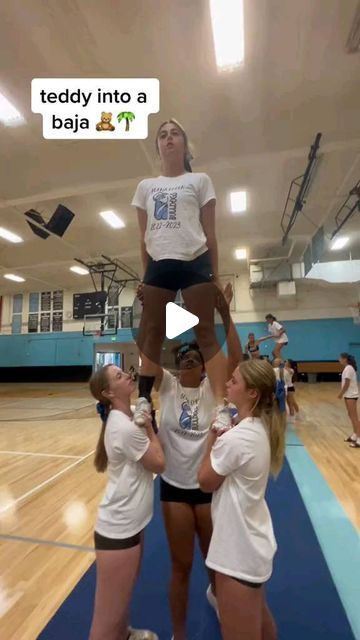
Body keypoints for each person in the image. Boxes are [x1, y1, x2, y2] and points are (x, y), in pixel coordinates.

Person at [131, 118, 233, 433]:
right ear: (157, 147)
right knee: (152, 334)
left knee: (206, 333)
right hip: (159, 264)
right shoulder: (145, 187)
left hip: (195, 261)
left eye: (175, 133)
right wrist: (145, 277)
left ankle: (221, 407)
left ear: (184, 144)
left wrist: (215, 276)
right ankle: (145, 399)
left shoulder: (200, 180)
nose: (169, 138)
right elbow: (143, 236)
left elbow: (211, 234)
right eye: (163, 135)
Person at [153, 283, 242, 640]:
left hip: (206, 485)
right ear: (178, 364)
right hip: (175, 487)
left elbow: (234, 354)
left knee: (212, 561)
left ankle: (219, 599)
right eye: (184, 357)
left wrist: (224, 312)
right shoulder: (168, 387)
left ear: (203, 367)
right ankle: (179, 633)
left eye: (196, 357)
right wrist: (155, 311)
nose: (190, 359)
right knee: (181, 565)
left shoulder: (213, 390)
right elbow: (147, 354)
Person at [198, 359, 287, 640]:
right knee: (261, 622)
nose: (227, 384)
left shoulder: (237, 439)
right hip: (251, 544)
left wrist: (214, 436)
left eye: (234, 381)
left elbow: (204, 480)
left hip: (238, 552)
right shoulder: (256, 428)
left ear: (252, 393)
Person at [89, 364, 165, 640]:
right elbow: (159, 462)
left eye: (124, 372)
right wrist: (149, 428)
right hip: (118, 531)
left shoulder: (126, 417)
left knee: (123, 597)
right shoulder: (124, 427)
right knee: (104, 620)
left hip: (131, 525)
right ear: (108, 392)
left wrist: (144, 418)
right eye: (119, 376)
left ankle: (124, 634)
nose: (127, 376)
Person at [338, 353, 360, 448]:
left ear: (345, 359)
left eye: (340, 358)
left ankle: (359, 438)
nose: (339, 360)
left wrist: (340, 393)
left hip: (351, 395)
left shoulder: (349, 368)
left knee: (354, 417)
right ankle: (355, 435)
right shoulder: (347, 368)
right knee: (350, 415)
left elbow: (347, 384)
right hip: (348, 395)